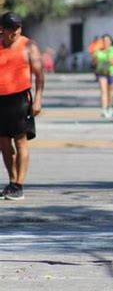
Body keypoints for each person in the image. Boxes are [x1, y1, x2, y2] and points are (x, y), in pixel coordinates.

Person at [0, 12, 44, 200]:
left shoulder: (29, 45)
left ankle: (19, 184)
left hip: (20, 99)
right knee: (4, 143)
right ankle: (11, 181)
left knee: (20, 140)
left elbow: (39, 75)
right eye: (12, 28)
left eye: (18, 27)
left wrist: (38, 99)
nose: (16, 31)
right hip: (1, 100)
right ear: (2, 29)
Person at [92, 34, 113, 118]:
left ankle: (109, 107)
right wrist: (96, 61)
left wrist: (108, 59)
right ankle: (103, 109)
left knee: (110, 92)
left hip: (111, 73)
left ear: (110, 42)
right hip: (101, 73)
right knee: (103, 91)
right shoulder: (97, 51)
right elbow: (93, 63)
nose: (105, 42)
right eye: (104, 41)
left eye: (107, 41)